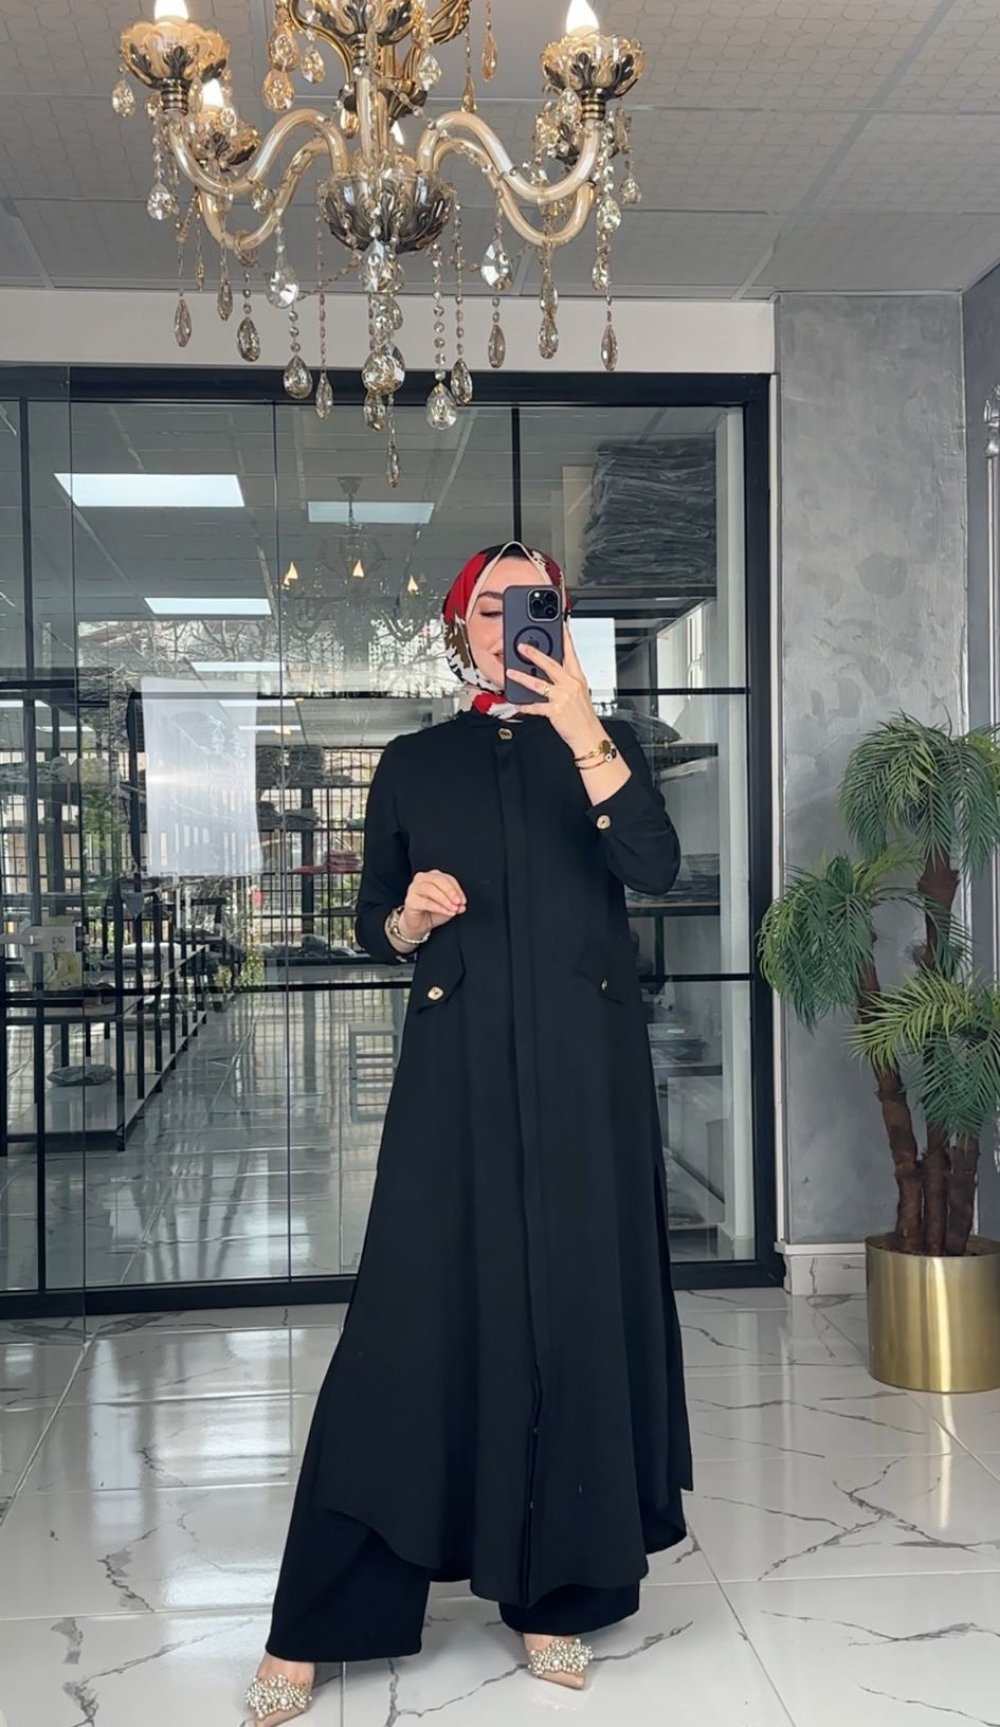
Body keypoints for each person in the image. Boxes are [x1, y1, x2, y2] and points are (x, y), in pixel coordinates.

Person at [246, 542, 692, 1725]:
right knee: (410, 1318)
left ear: (561, 621)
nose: (511, 622)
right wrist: (406, 917)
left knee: (573, 1307)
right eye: (490, 606)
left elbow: (653, 865)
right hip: (456, 1072)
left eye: (533, 603)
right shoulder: (414, 761)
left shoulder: (606, 743)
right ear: (459, 629)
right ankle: (325, 1612)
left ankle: (557, 1592)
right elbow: (370, 920)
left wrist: (586, 733)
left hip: (587, 1075)